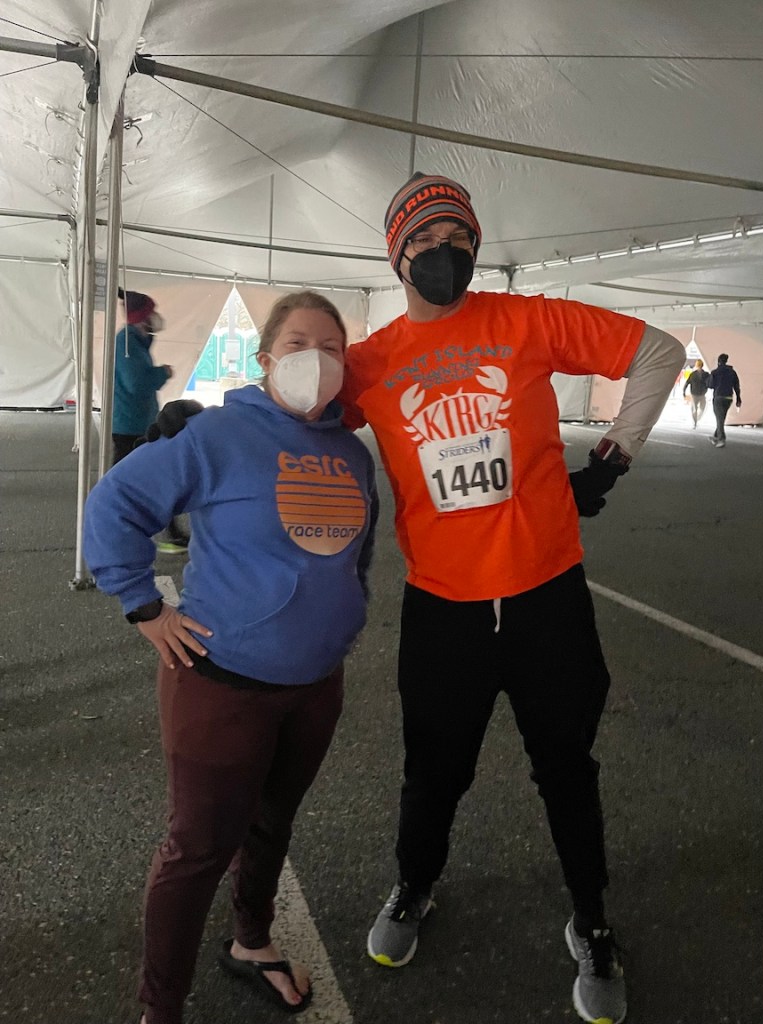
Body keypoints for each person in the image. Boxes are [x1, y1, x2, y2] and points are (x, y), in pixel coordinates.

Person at [149, 173, 685, 1024]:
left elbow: (659, 350)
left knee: (568, 771)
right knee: (433, 772)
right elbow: (296, 407)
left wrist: (614, 458)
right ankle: (413, 887)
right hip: (445, 610)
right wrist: (206, 426)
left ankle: (592, 920)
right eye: (428, 245)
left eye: (460, 241)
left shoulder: (528, 320)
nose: (448, 257)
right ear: (396, 256)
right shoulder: (374, 362)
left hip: (549, 597)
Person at [84, 290, 378, 1024]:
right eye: (301, 342)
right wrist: (145, 605)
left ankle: (250, 940)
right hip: (221, 685)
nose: (319, 359)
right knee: (197, 851)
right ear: (267, 357)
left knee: (272, 822)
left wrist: (346, 615)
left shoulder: (350, 453)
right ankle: (162, 1006)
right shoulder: (218, 436)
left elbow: (357, 554)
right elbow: (114, 507)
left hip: (315, 687)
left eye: (334, 348)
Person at [112, 287, 189, 553]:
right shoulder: (128, 343)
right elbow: (136, 382)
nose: (156, 317)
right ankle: (121, 535)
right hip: (130, 425)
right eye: (152, 312)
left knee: (148, 479)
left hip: (136, 421)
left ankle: (160, 531)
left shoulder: (135, 341)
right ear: (143, 317)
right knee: (134, 482)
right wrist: (162, 373)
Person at [707, 352, 742, 447]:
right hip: (728, 398)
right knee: (721, 418)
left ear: (718, 361)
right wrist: (738, 398)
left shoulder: (715, 372)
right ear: (726, 361)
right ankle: (715, 435)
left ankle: (721, 439)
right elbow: (736, 386)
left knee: (719, 418)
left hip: (718, 397)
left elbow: (710, 385)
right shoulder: (732, 372)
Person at [682, 358, 710, 428]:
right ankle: (696, 421)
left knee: (697, 408)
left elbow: (687, 383)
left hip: (697, 393)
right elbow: (687, 383)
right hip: (699, 393)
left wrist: (684, 392)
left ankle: (696, 420)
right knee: (699, 408)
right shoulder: (704, 374)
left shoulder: (695, 374)